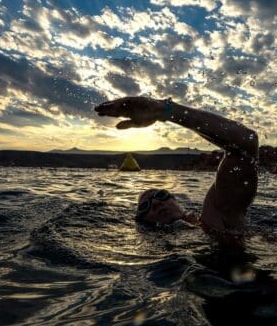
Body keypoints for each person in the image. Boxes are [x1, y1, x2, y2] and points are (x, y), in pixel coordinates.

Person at [94, 96, 258, 238]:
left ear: (179, 204)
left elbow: (246, 142)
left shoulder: (214, 218)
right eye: (145, 206)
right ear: (141, 222)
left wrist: (165, 111)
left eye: (162, 195)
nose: (156, 203)